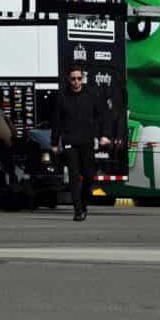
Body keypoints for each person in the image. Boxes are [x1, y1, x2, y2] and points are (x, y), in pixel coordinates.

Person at [53, 67, 112, 221]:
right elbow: (57, 120)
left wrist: (104, 135)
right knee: (73, 176)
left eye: (79, 78)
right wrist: (54, 142)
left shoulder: (91, 94)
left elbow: (102, 116)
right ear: (68, 79)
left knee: (89, 176)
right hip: (69, 141)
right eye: (73, 79)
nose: (76, 82)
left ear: (83, 78)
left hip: (86, 140)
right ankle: (77, 210)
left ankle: (84, 204)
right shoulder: (62, 96)